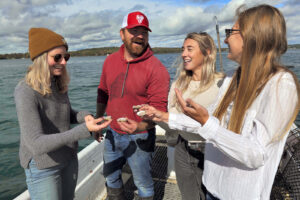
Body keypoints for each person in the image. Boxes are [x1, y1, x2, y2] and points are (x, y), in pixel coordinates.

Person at [140, 4, 300, 200]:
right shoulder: (234, 77)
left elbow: (256, 154)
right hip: (212, 185)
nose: (224, 39)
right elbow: (211, 119)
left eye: (230, 32)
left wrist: (207, 124)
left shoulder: (281, 84)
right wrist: (164, 116)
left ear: (251, 36)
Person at [14, 27, 111, 200]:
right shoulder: (25, 91)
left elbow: (66, 115)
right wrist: (85, 130)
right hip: (43, 166)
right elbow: (36, 144)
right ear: (41, 59)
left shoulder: (57, 84)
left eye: (66, 57)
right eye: (57, 57)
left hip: (68, 159)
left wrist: (85, 117)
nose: (64, 62)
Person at [95, 11, 170, 200]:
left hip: (140, 136)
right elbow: (103, 92)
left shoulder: (157, 69)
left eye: (144, 32)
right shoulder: (110, 60)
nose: (139, 36)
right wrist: (98, 121)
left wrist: (139, 126)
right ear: (122, 33)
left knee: (143, 184)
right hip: (111, 132)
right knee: (111, 177)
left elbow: (159, 113)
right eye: (134, 30)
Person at [161, 32, 224, 200]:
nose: (183, 54)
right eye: (183, 49)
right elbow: (172, 122)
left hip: (213, 151)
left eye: (190, 49)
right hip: (183, 149)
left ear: (208, 52)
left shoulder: (223, 83)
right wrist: (153, 118)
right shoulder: (178, 85)